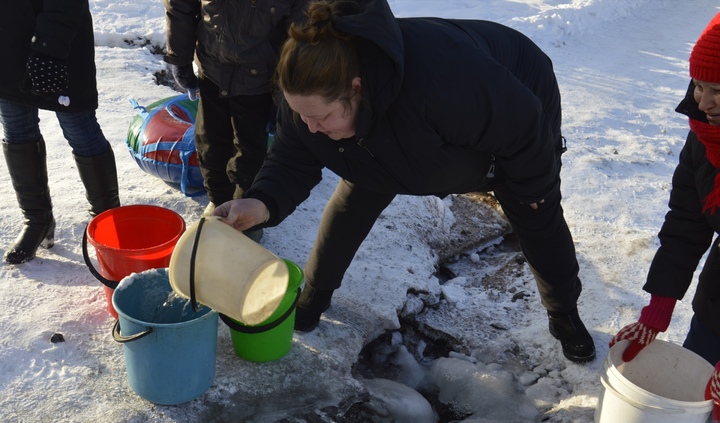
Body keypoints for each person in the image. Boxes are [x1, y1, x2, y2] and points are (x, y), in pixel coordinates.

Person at [215, 0, 596, 363]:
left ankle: (564, 312)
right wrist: (260, 202)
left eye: (322, 118)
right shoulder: (309, 99)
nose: (311, 128)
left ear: (357, 89)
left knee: (534, 211)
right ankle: (314, 295)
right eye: (303, 117)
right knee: (356, 195)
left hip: (513, 90)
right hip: (403, 125)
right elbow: (290, 157)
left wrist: (532, 191)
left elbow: (525, 129)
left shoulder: (445, 81)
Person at [609, 12, 720, 419]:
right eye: (699, 86)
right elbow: (686, 225)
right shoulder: (705, 137)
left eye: (718, 91)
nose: (703, 103)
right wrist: (659, 307)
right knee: (698, 387)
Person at [0, 0, 121, 265]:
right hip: (6, 47)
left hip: (60, 48)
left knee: (81, 131)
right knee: (17, 131)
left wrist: (49, 52)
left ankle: (110, 221)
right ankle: (37, 221)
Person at [162, 0, 307, 220]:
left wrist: (281, 93)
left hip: (259, 80)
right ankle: (218, 202)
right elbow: (180, 6)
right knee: (209, 144)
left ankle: (245, 212)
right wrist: (180, 59)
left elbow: (302, 33)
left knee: (249, 154)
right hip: (212, 69)